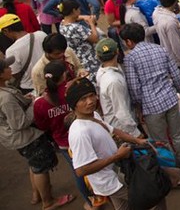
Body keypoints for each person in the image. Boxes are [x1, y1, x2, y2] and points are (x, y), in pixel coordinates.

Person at [66, 78, 167, 210]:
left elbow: (113, 130)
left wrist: (138, 140)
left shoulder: (93, 115)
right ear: (74, 105)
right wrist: (117, 156)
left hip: (117, 176)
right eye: (83, 99)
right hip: (112, 182)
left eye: (91, 95)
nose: (90, 101)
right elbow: (81, 170)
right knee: (154, 199)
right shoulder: (80, 132)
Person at [0, 56, 75, 210]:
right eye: (6, 67)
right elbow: (19, 123)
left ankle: (37, 194)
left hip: (16, 139)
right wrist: (34, 104)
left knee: (34, 164)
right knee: (41, 168)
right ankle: (48, 202)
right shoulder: (6, 98)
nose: (10, 69)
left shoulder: (5, 90)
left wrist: (25, 100)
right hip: (26, 138)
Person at [120, 23, 180, 185]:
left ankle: (177, 175)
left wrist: (139, 108)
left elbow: (134, 88)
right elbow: (176, 75)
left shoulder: (130, 58)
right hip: (170, 99)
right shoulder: (160, 49)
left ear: (129, 41)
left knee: (161, 142)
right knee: (178, 136)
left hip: (151, 107)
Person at [33, 60, 93, 209]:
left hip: (64, 143)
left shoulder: (40, 102)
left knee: (78, 171)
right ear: (65, 75)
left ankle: (90, 202)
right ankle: (101, 196)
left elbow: (42, 126)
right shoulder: (71, 91)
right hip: (84, 134)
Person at [94, 38, 140, 138]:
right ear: (117, 52)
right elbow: (121, 113)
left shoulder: (102, 71)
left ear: (98, 56)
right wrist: (137, 135)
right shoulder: (113, 81)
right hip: (123, 130)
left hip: (118, 126)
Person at [57, 0, 100, 82]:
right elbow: (95, 38)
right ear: (74, 10)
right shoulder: (77, 28)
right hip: (88, 59)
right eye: (78, 9)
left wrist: (83, 17)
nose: (80, 11)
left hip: (77, 57)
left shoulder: (62, 24)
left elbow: (73, 19)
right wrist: (92, 23)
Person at [2, 14, 46, 94]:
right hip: (49, 79)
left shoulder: (11, 50)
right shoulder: (41, 35)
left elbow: (15, 73)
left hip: (30, 88)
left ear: (6, 31)